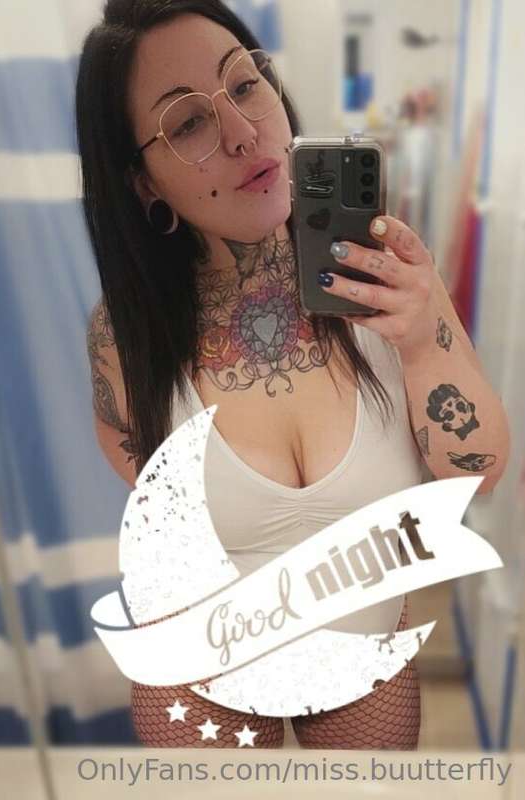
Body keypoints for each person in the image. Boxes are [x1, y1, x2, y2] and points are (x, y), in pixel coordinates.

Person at [77, 0, 509, 749]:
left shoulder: (390, 280)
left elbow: (478, 476)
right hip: (199, 669)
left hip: (363, 656)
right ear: (143, 182)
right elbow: (139, 471)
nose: (244, 132)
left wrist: (420, 343)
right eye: (188, 123)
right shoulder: (125, 334)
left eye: (245, 84)